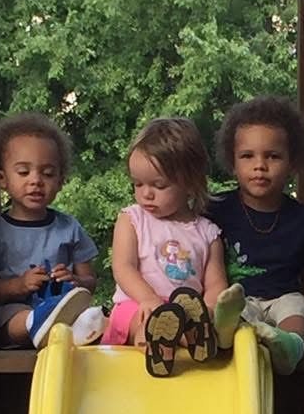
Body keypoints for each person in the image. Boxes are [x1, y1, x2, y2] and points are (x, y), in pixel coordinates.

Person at [102, 117, 245, 377]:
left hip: (184, 312)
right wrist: (148, 298)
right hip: (137, 306)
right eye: (138, 184)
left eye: (159, 185)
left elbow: (215, 284)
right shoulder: (132, 219)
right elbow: (123, 267)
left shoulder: (207, 232)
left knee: (184, 320)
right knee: (146, 323)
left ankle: (191, 336)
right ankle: (163, 344)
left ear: (190, 183)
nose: (146, 193)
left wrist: (208, 310)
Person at [0, 112, 106, 351]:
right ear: (2, 178)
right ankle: (38, 322)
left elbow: (90, 281)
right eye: (23, 172)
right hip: (9, 321)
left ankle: (67, 329)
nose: (36, 180)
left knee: (84, 314)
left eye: (47, 173)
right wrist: (18, 285)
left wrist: (75, 281)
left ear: (60, 181)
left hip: (61, 311)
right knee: (19, 315)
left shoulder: (69, 228)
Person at [209, 95, 304, 376]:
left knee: (298, 307)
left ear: (292, 162)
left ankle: (289, 348)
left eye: (273, 156)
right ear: (232, 162)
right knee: (233, 311)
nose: (260, 165)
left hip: (283, 298)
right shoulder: (215, 209)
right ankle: (224, 334)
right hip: (239, 301)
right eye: (247, 156)